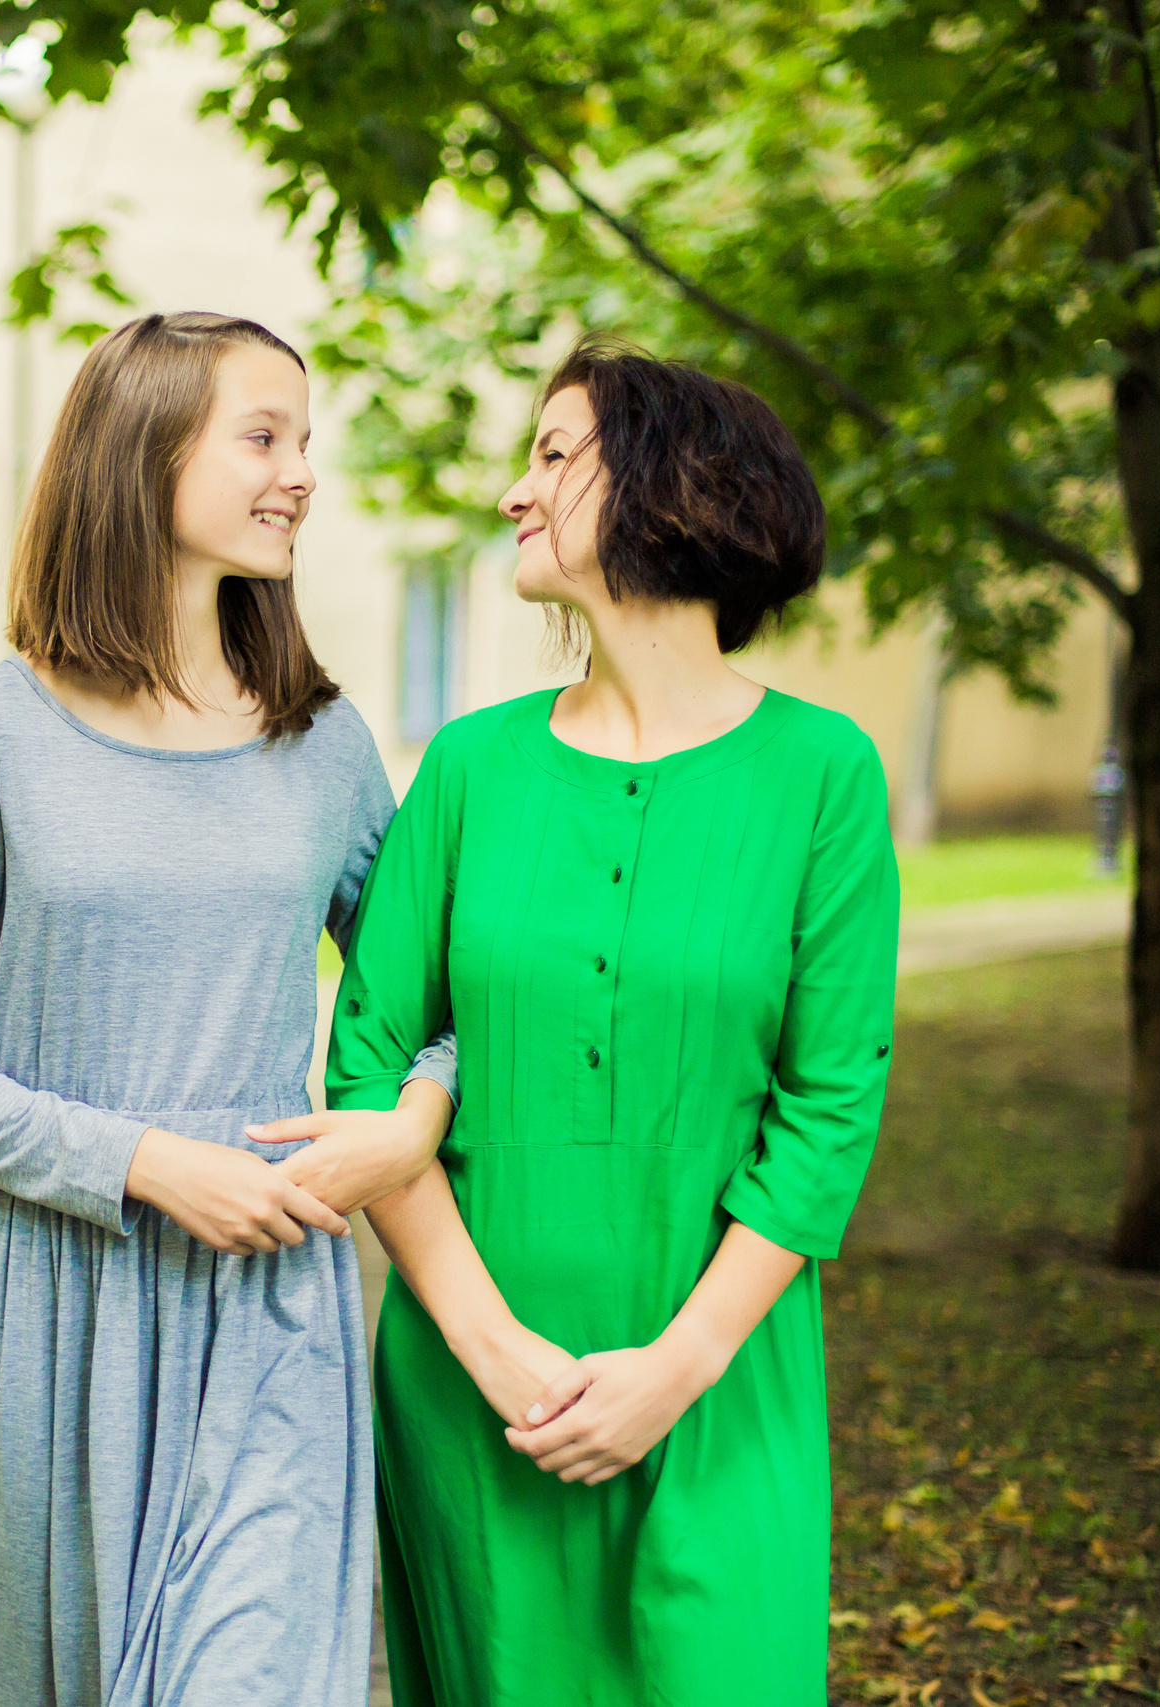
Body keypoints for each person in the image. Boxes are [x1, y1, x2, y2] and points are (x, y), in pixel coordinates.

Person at [0, 310, 458, 1706]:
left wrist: (410, 1123)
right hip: (51, 1303)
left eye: (304, 441)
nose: (300, 472)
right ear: (142, 457)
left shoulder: (322, 741)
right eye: (264, 436)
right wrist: (140, 1163)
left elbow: (437, 1003)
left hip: (271, 1296)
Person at [331, 337, 901, 1705]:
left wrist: (676, 1369)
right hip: (477, 1401)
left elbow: (830, 1105)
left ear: (671, 486)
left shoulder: (825, 777)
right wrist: (493, 1349)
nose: (517, 494)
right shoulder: (469, 768)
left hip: (719, 1388)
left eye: (553, 455)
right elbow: (367, 1062)